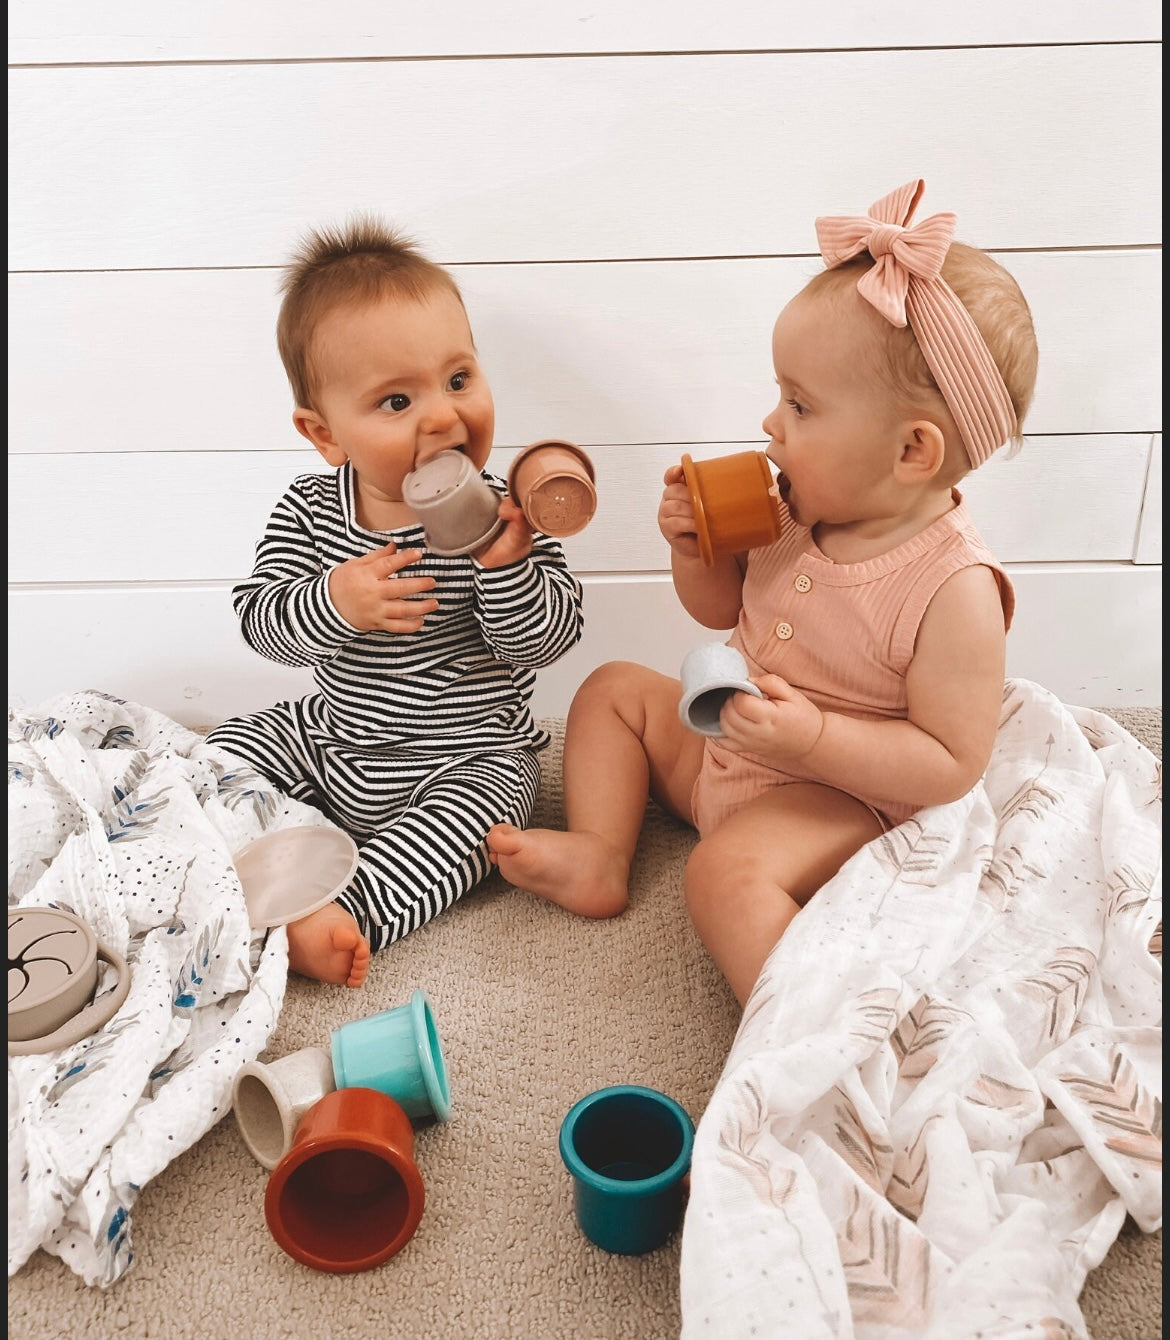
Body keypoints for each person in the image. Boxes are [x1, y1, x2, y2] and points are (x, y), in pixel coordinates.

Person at [488, 179, 1039, 1007]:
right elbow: (719, 610)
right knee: (611, 693)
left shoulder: (951, 587)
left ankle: (802, 1032)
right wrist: (691, 546)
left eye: (802, 405)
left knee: (723, 875)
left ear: (912, 453)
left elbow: (950, 765)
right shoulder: (790, 508)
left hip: (839, 802)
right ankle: (601, 853)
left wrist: (812, 737)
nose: (771, 423)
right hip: (728, 750)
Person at [207, 217, 585, 988]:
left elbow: (547, 640)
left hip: (467, 756)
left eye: (458, 380)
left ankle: (345, 908)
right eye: (395, 401)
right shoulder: (311, 511)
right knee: (223, 750)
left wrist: (506, 566)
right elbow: (261, 620)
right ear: (325, 433)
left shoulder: (502, 512)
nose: (443, 417)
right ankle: (197, 851)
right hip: (338, 738)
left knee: (481, 825)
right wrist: (336, 600)